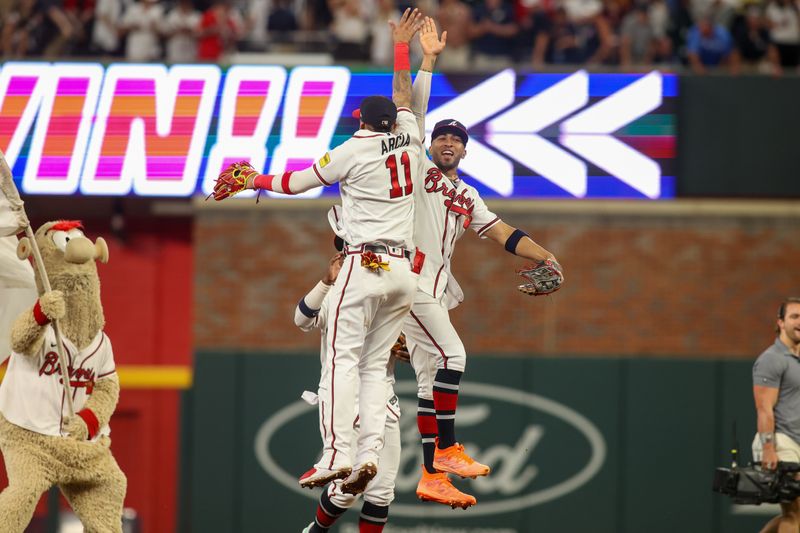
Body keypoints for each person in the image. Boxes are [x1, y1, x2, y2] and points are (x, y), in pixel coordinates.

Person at [212, 8, 425, 496]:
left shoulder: (354, 147)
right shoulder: (411, 136)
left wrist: (254, 180)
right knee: (373, 366)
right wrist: (401, 48)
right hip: (402, 273)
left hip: (364, 262)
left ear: (361, 121)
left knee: (339, 361)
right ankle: (369, 454)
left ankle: (337, 454)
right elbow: (403, 94)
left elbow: (296, 182)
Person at [406, 16, 562, 508]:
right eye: (441, 138)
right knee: (455, 358)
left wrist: (547, 254)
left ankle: (431, 475)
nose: (447, 143)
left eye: (456, 140)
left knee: (432, 384)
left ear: (466, 151)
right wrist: (427, 61)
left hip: (432, 289)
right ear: (430, 144)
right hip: (404, 280)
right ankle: (447, 450)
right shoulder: (416, 168)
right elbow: (412, 107)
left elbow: (500, 232)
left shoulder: (467, 193)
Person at [297, 239, 403, 533]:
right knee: (347, 489)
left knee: (382, 491)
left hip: (384, 397)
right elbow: (302, 319)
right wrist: (325, 282)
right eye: (346, 250)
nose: (354, 255)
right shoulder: (334, 295)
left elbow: (410, 344)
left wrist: (406, 347)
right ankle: (316, 531)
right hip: (346, 397)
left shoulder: (392, 292)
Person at [753, 297, 800, 533]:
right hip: (781, 441)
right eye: (794, 316)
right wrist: (768, 447)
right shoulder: (771, 359)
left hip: (797, 442)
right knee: (794, 512)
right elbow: (764, 408)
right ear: (781, 322)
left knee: (794, 514)